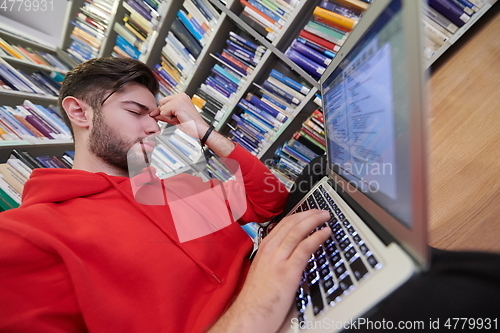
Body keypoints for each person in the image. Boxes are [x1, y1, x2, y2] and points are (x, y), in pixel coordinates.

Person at [0, 57, 332, 333]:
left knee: (325, 171)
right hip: (283, 313)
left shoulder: (171, 190)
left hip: (310, 296)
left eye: (154, 116)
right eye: (135, 112)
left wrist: (205, 131)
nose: (154, 128)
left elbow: (267, 200)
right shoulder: (22, 233)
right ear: (79, 113)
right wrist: (255, 306)